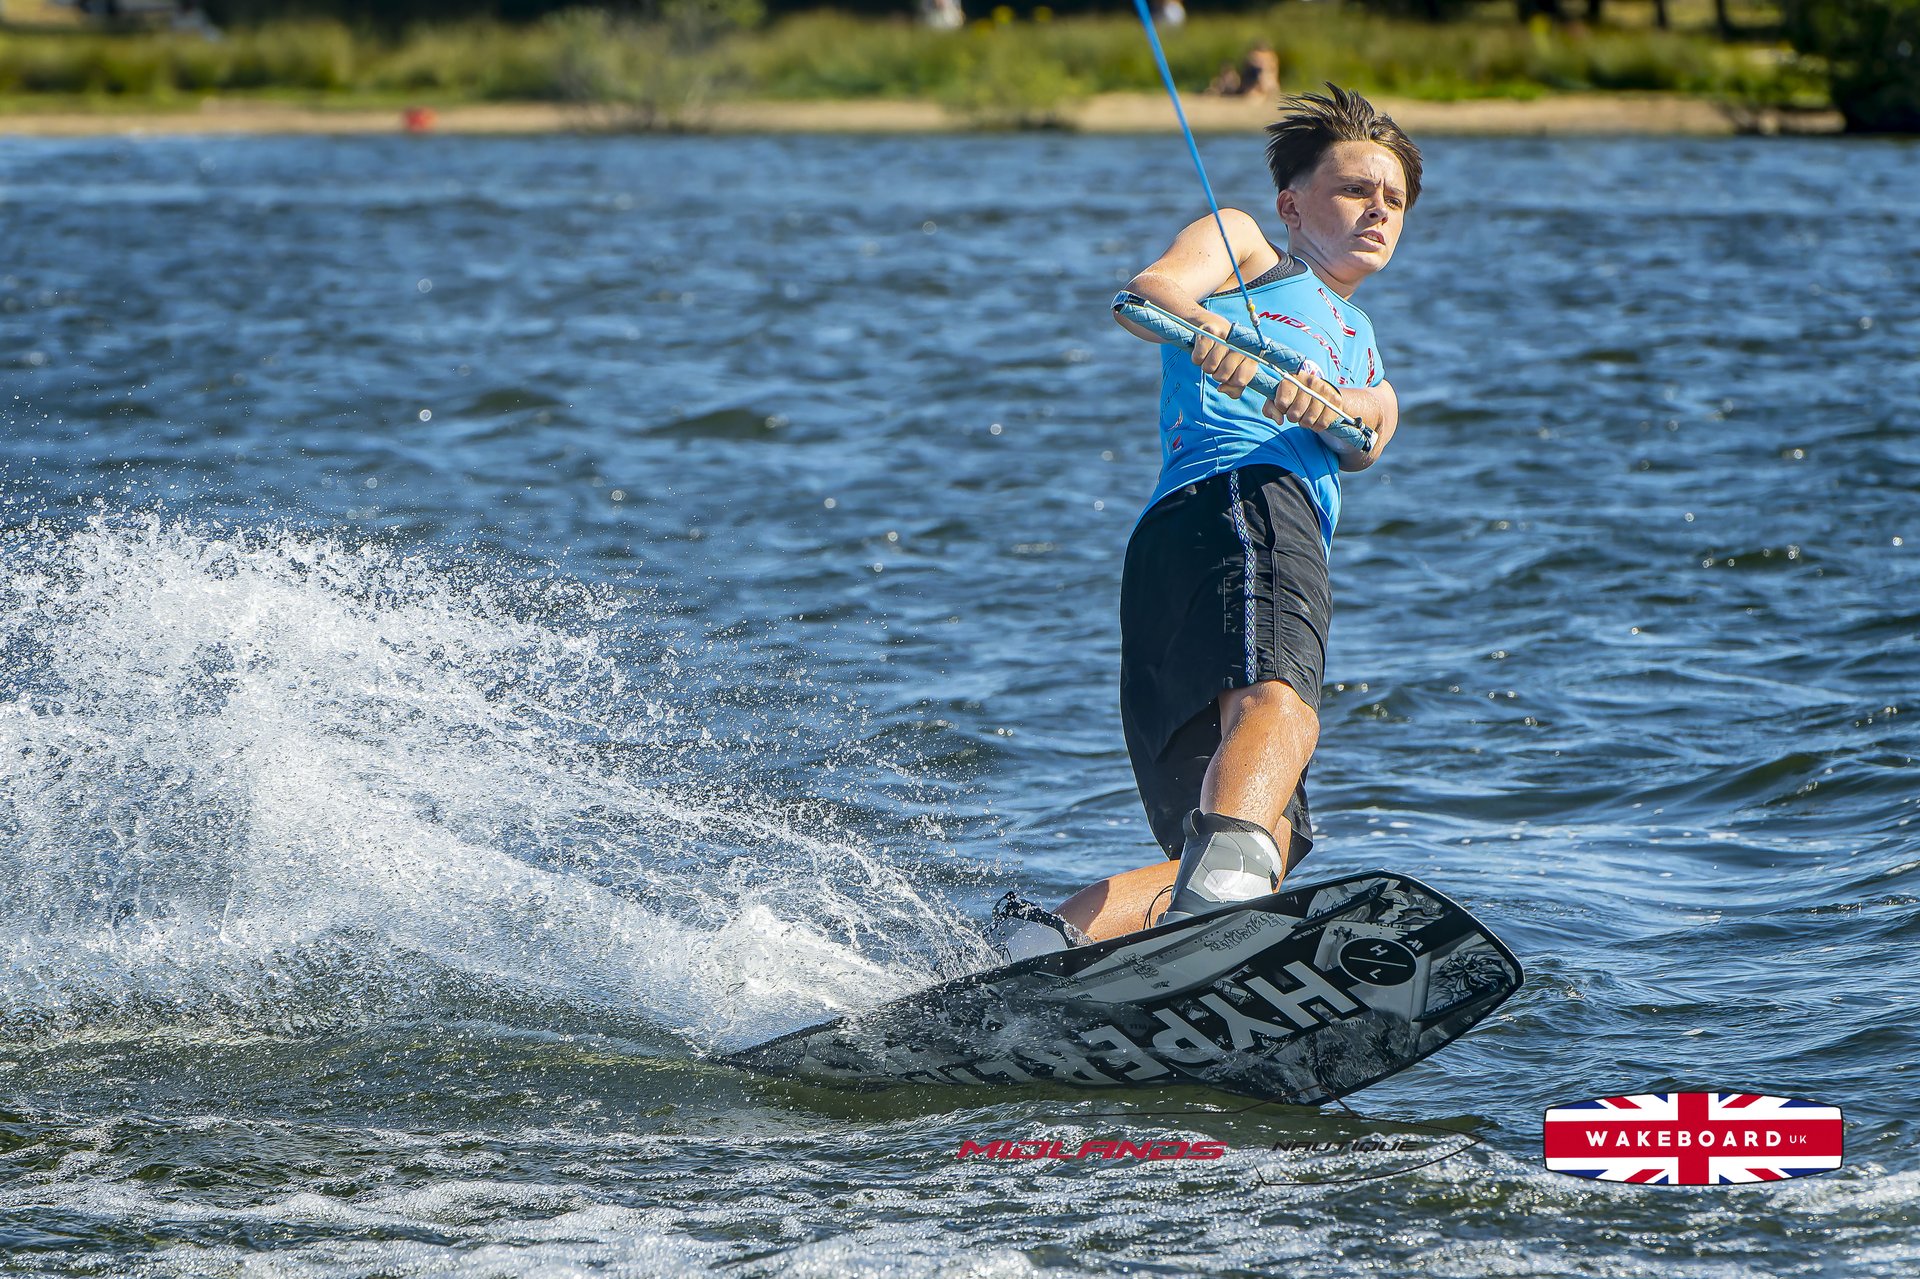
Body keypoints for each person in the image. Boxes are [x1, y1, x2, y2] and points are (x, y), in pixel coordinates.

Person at [993, 86, 1420, 960]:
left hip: (1180, 554)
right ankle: (1216, 919)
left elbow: (1373, 428)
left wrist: (1346, 403)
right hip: (1243, 501)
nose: (1378, 209)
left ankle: (1033, 950)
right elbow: (1145, 294)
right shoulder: (1249, 246)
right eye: (1354, 190)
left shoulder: (1361, 338)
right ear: (1293, 204)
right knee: (1282, 706)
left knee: (1270, 834)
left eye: (1395, 200)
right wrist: (1208, 338)